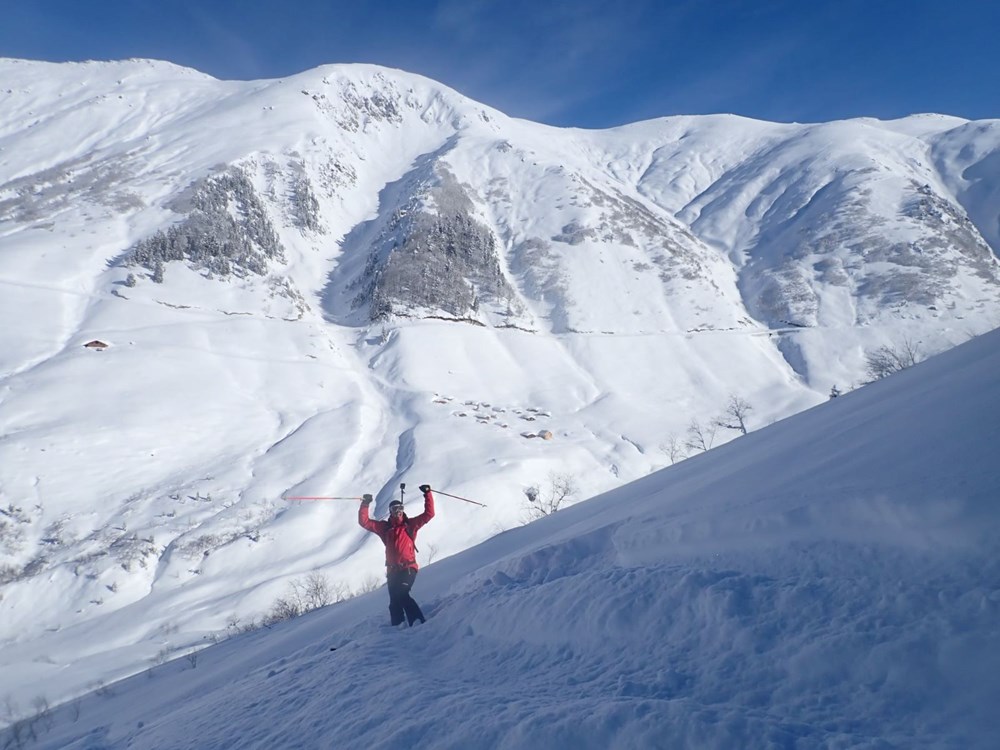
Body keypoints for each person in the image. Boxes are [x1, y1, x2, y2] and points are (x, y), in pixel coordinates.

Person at [358, 484, 435, 626]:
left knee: (402, 594)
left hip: (408, 568)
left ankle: (418, 621)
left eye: (400, 508)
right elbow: (365, 522)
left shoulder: (410, 525)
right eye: (395, 509)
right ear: (390, 512)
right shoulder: (385, 528)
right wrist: (365, 503)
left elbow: (429, 514)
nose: (398, 511)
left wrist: (427, 494)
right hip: (392, 571)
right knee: (394, 602)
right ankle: (397, 627)